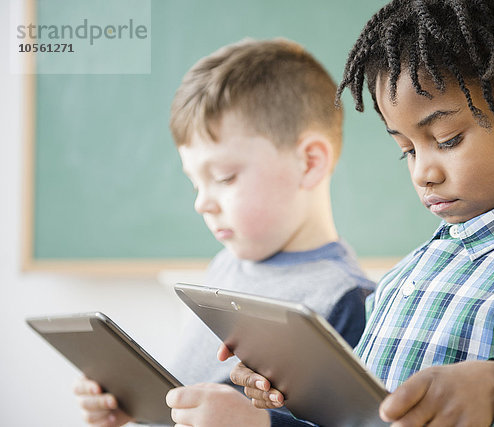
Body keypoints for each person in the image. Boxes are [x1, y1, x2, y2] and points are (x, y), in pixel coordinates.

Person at [224, 0, 494, 425]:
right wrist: (281, 405)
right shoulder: (404, 279)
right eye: (406, 149)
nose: (423, 172)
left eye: (447, 139)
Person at [71, 38, 375, 427]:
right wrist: (134, 405)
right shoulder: (223, 267)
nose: (202, 203)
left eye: (224, 177)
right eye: (195, 183)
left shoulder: (347, 300)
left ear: (309, 162)